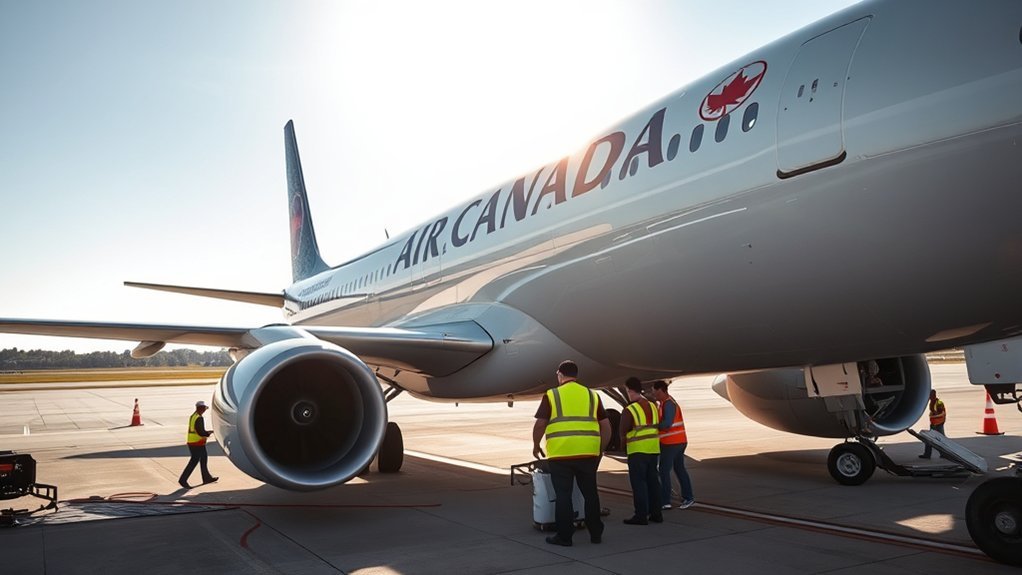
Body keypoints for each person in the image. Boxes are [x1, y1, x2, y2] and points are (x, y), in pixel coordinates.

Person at [533, 360, 610, 547]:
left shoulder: (552, 395)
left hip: (561, 454)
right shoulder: (592, 395)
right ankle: (596, 534)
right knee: (590, 494)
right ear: (576, 375)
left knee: (563, 495)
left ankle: (565, 537)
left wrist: (536, 445)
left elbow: (541, 424)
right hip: (588, 454)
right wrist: (600, 448)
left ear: (560, 375)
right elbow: (606, 426)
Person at [619, 377, 662, 525]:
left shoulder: (630, 410)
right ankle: (656, 514)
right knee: (653, 483)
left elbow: (622, 433)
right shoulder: (653, 406)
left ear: (630, 391)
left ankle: (641, 515)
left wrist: (623, 447)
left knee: (639, 484)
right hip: (653, 449)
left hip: (637, 451)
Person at [652, 380, 694, 510]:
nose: (654, 395)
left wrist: (652, 426)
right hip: (678, 441)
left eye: (656, 392)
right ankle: (688, 497)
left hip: (671, 443)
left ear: (662, 390)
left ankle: (665, 501)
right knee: (679, 469)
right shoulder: (665, 403)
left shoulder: (668, 404)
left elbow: (667, 424)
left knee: (664, 471)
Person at [179, 400, 218, 488]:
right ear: (201, 409)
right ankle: (183, 480)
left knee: (203, 458)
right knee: (194, 461)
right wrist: (208, 433)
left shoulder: (193, 416)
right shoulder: (199, 418)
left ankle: (206, 477)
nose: (204, 410)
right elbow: (200, 432)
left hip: (193, 442)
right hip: (197, 443)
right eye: (204, 409)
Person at [919, 389, 947, 459]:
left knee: (939, 439)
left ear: (933, 395)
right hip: (934, 424)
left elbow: (942, 414)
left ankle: (943, 453)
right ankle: (929, 454)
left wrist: (934, 417)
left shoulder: (939, 403)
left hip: (938, 424)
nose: (928, 397)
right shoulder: (932, 403)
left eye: (929, 395)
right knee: (932, 439)